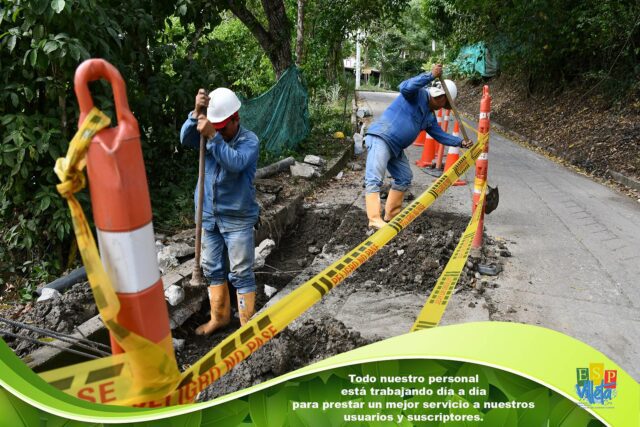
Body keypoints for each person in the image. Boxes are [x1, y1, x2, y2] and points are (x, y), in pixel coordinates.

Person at [180, 87, 260, 335]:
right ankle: (220, 318)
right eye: (217, 128)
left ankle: (247, 327)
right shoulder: (209, 134)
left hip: (237, 218)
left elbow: (234, 163)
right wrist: (195, 113)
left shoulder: (249, 141)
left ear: (236, 119)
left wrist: (213, 137)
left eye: (224, 128)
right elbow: (185, 139)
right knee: (213, 268)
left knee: (241, 272)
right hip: (208, 215)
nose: (220, 132)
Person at [363, 64, 473, 229]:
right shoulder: (417, 94)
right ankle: (374, 219)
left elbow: (439, 135)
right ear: (442, 97)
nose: (444, 107)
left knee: (404, 177)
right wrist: (429, 75)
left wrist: (460, 142)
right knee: (374, 178)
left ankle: (391, 216)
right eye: (445, 104)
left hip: (396, 148)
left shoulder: (429, 116)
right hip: (382, 138)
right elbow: (404, 87)